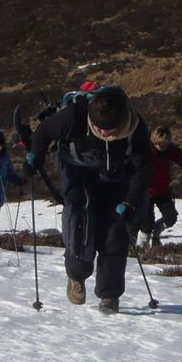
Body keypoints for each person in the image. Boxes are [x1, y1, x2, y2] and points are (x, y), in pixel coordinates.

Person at [26, 85, 152, 314]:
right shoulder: (75, 114)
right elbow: (44, 131)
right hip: (77, 171)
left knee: (115, 231)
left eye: (111, 130)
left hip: (115, 177)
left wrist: (131, 202)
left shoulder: (134, 126)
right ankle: (77, 275)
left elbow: (142, 168)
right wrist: (36, 154)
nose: (106, 134)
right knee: (79, 222)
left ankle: (109, 294)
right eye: (100, 129)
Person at [131, 126, 182, 247]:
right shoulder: (145, 150)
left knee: (171, 218)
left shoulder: (170, 149)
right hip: (146, 191)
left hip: (163, 190)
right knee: (147, 223)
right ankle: (142, 246)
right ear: (153, 142)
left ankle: (156, 235)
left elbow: (181, 160)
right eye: (158, 144)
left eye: (164, 144)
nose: (161, 147)